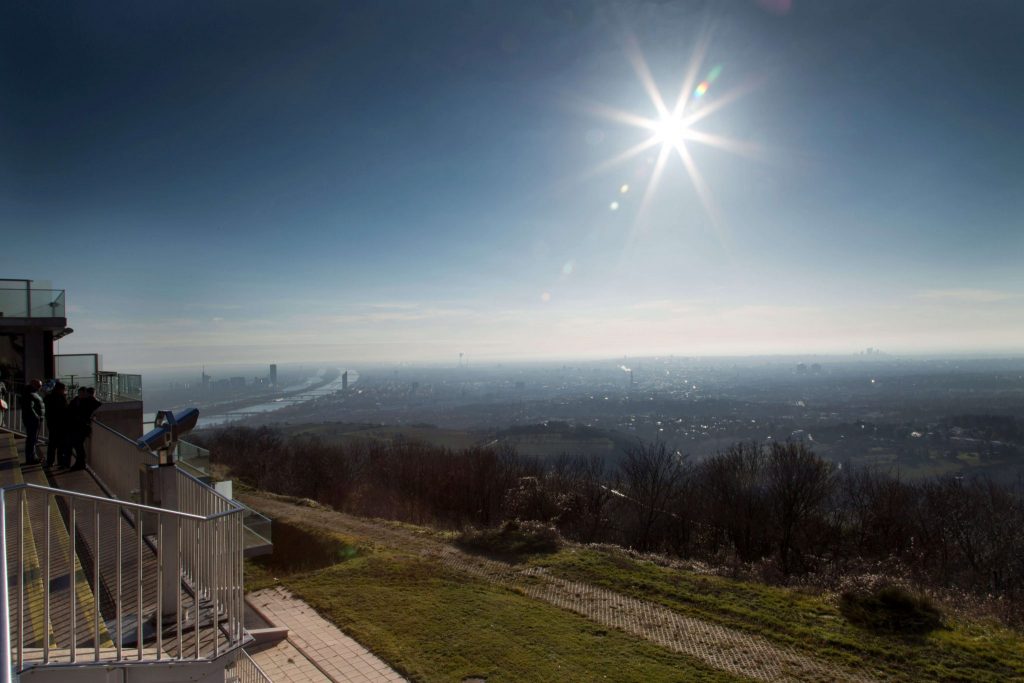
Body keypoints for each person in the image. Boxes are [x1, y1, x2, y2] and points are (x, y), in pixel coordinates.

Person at [68, 387, 102, 471]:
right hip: (80, 426)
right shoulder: (82, 401)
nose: (80, 395)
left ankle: (80, 463)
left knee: (78, 445)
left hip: (80, 427)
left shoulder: (84, 401)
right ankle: (80, 463)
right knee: (78, 445)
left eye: (81, 393)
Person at [43, 381, 71, 468]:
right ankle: (60, 462)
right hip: (61, 424)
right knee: (61, 445)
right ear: (61, 389)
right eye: (64, 389)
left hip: (52, 424)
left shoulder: (48, 397)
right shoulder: (61, 398)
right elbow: (65, 411)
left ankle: (50, 462)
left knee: (52, 444)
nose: (65, 391)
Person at [22, 380, 44, 465]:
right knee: (32, 439)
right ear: (33, 385)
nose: (40, 388)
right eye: (38, 386)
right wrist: (37, 417)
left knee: (32, 439)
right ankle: (31, 458)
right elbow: (29, 408)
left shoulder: (31, 392)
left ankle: (32, 458)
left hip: (32, 419)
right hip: (32, 420)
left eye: (40, 386)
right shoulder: (29, 393)